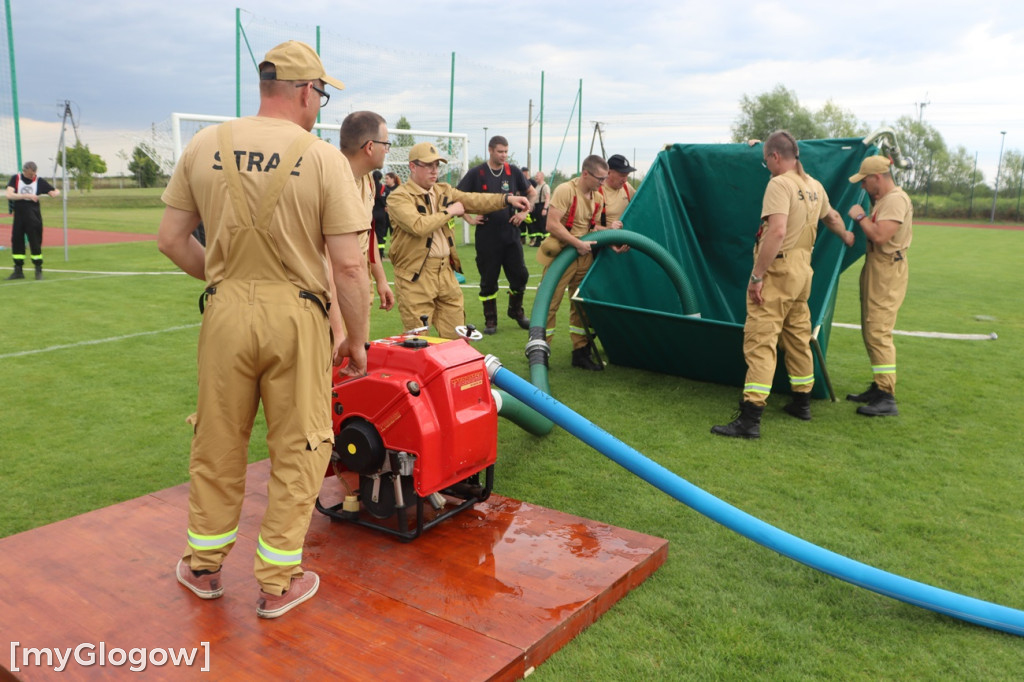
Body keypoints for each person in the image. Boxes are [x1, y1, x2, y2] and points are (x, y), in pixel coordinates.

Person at [157, 40, 370, 619]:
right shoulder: (324, 158)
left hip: (224, 311)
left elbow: (172, 239)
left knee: (218, 438)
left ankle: (202, 567)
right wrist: (356, 338)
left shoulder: (204, 145)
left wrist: (227, 281)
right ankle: (278, 582)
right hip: (297, 315)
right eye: (321, 94)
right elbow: (349, 266)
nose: (320, 105)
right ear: (306, 91)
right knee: (300, 443)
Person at [712, 131, 852, 438]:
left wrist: (757, 276)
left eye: (766, 161)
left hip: (779, 270)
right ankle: (802, 402)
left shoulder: (779, 183)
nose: (767, 167)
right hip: (803, 271)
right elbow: (832, 217)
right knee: (797, 335)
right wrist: (846, 236)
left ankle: (750, 418)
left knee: (761, 339)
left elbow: (775, 233)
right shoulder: (814, 185)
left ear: (776, 156)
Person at [387, 141, 530, 339]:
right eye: (428, 165)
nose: (434, 170)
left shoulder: (443, 190)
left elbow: (474, 199)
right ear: (412, 166)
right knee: (419, 340)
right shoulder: (398, 197)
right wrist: (450, 211)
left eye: (437, 165)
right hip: (416, 275)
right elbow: (418, 226)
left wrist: (507, 199)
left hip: (445, 272)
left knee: (458, 337)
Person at [845, 155, 913, 417]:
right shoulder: (886, 200)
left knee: (878, 330)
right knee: (871, 328)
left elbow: (881, 236)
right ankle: (879, 386)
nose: (862, 187)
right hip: (879, 268)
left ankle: (886, 397)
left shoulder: (895, 199)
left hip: (887, 269)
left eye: (864, 181)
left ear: (877, 177)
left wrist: (860, 216)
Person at [456, 136, 536, 335]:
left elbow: (532, 194)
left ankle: (516, 311)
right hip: (487, 237)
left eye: (506, 151)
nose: (504, 155)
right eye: (500, 151)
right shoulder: (477, 173)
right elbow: (455, 197)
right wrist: (470, 219)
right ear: (490, 150)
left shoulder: (513, 171)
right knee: (488, 279)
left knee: (520, 276)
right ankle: (490, 320)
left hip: (511, 235)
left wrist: (525, 212)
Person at [537, 154, 610, 371]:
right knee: (549, 304)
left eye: (605, 179)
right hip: (563, 255)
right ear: (585, 174)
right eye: (600, 179)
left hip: (584, 255)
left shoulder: (597, 196)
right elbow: (551, 224)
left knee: (581, 305)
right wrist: (576, 243)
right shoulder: (565, 190)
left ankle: (581, 352)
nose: (602, 183)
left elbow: (591, 226)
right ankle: (540, 353)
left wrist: (611, 235)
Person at [337, 110, 396, 339]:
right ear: (370, 147)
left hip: (360, 281)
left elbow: (368, 231)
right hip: (334, 288)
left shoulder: (368, 179)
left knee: (357, 355)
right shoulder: (331, 179)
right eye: (386, 144)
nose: (387, 150)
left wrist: (380, 279)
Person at [5, 161, 59, 280]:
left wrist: (55, 192)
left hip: (34, 217)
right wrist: (27, 196)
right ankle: (18, 270)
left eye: (34, 174)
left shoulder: (39, 181)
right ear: (24, 171)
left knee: (35, 243)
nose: (32, 176)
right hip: (19, 216)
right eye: (30, 174)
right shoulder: (16, 178)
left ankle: (38, 270)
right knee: (17, 241)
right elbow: (9, 195)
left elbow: (53, 192)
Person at [529, 171, 551, 246]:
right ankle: (538, 242)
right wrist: (531, 206)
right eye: (535, 176)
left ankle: (548, 242)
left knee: (543, 225)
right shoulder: (537, 186)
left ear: (542, 177)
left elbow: (547, 198)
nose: (535, 177)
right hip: (536, 207)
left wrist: (545, 209)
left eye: (537, 176)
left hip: (542, 206)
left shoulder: (545, 186)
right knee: (537, 225)